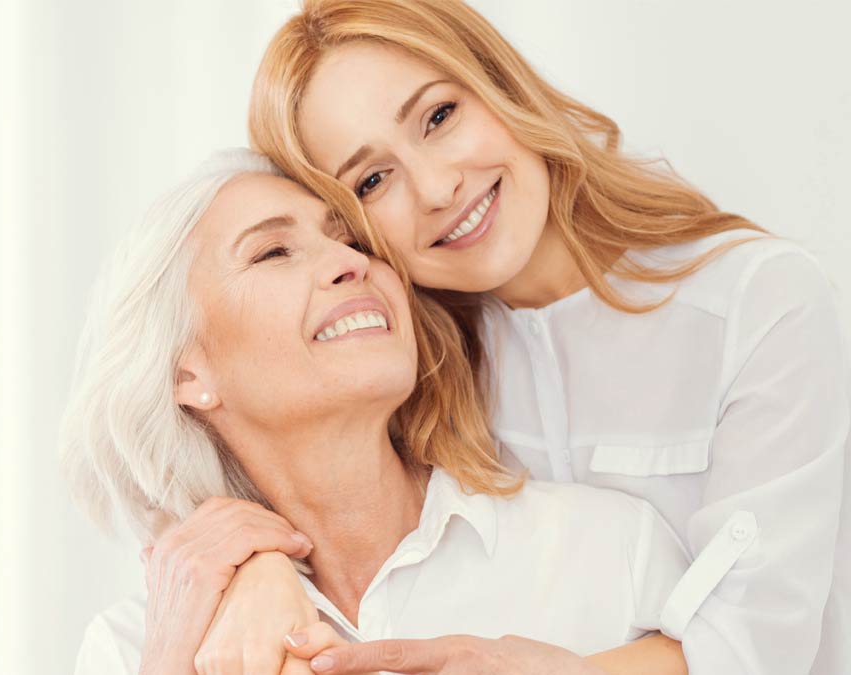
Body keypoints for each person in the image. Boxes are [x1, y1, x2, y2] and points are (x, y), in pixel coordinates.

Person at [200, 1, 849, 673]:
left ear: (499, 84)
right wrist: (262, 564)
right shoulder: (414, 372)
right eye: (373, 179)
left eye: (439, 116)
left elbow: (757, 646)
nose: (437, 187)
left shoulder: (758, 303)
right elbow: (270, 458)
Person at [60, 149, 691, 675]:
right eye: (273, 253)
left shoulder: (607, 551)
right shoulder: (133, 647)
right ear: (185, 371)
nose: (351, 262)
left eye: (352, 238)